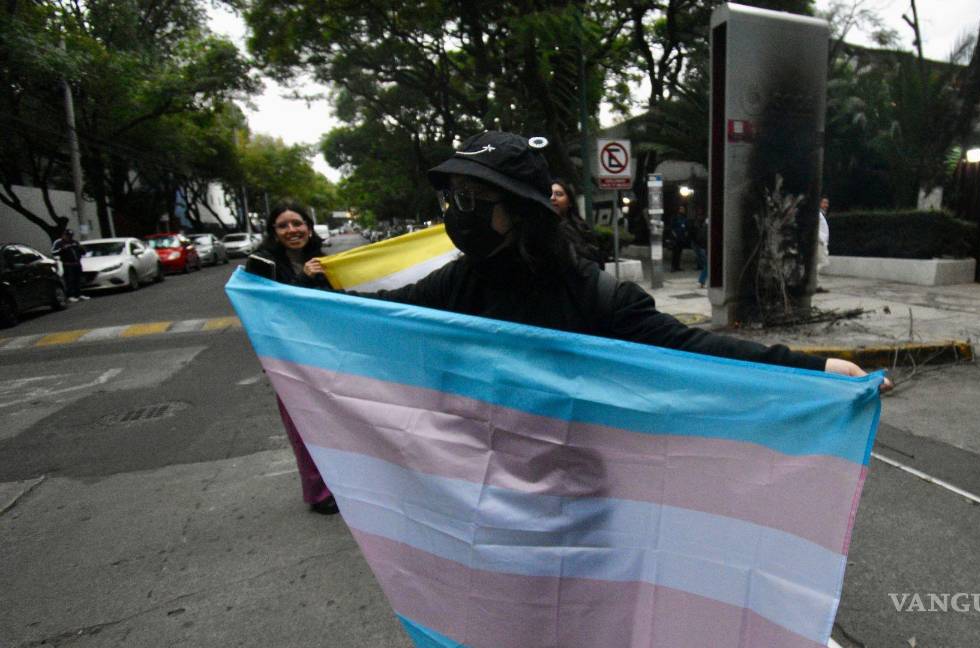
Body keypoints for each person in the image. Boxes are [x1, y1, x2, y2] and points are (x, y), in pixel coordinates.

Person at [305, 131, 890, 390]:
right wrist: (291, 295)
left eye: (474, 199)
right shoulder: (461, 280)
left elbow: (691, 347)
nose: (458, 212)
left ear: (520, 211)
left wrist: (810, 369)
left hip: (575, 497)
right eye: (453, 197)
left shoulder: (593, 294)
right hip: (486, 499)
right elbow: (379, 317)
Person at [247, 202, 339, 515]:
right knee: (302, 424)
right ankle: (318, 492)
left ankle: (341, 483)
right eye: (283, 226)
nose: (292, 230)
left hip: (323, 354)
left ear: (309, 228)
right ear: (273, 232)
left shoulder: (322, 260)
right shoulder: (261, 263)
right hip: (285, 357)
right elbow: (265, 308)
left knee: (332, 422)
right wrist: (305, 279)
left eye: (297, 223)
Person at [551, 178, 604, 267]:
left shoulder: (580, 228)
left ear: (570, 202)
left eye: (558, 194)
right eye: (549, 194)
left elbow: (596, 259)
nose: (552, 198)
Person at [51, 228, 88, 302]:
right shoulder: (59, 243)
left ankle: (79, 294)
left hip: (77, 263)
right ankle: (70, 295)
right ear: (64, 235)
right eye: (67, 235)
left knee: (78, 280)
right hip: (68, 264)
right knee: (69, 280)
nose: (69, 237)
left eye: (71, 235)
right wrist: (62, 249)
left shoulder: (75, 242)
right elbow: (53, 252)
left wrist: (81, 248)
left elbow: (83, 252)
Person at [668, 206, 690, 272]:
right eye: (681, 209)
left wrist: (686, 233)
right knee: (675, 253)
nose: (682, 210)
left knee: (679, 253)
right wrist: (674, 235)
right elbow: (671, 227)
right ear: (678, 210)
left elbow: (686, 227)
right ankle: (673, 267)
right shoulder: (675, 217)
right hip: (676, 238)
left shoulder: (685, 218)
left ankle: (677, 266)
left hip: (682, 238)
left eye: (683, 209)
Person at [816, 197, 830, 293]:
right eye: (824, 203)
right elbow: (815, 228)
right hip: (819, 242)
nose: (826, 205)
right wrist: (821, 240)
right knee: (821, 263)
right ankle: (814, 284)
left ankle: (815, 284)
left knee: (819, 263)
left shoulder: (821, 215)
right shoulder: (817, 214)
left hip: (821, 242)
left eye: (827, 203)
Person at [691, 212, 708, 289]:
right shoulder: (706, 229)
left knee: (706, 266)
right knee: (707, 266)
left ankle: (702, 282)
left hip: (702, 248)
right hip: (705, 249)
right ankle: (701, 281)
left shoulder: (703, 228)